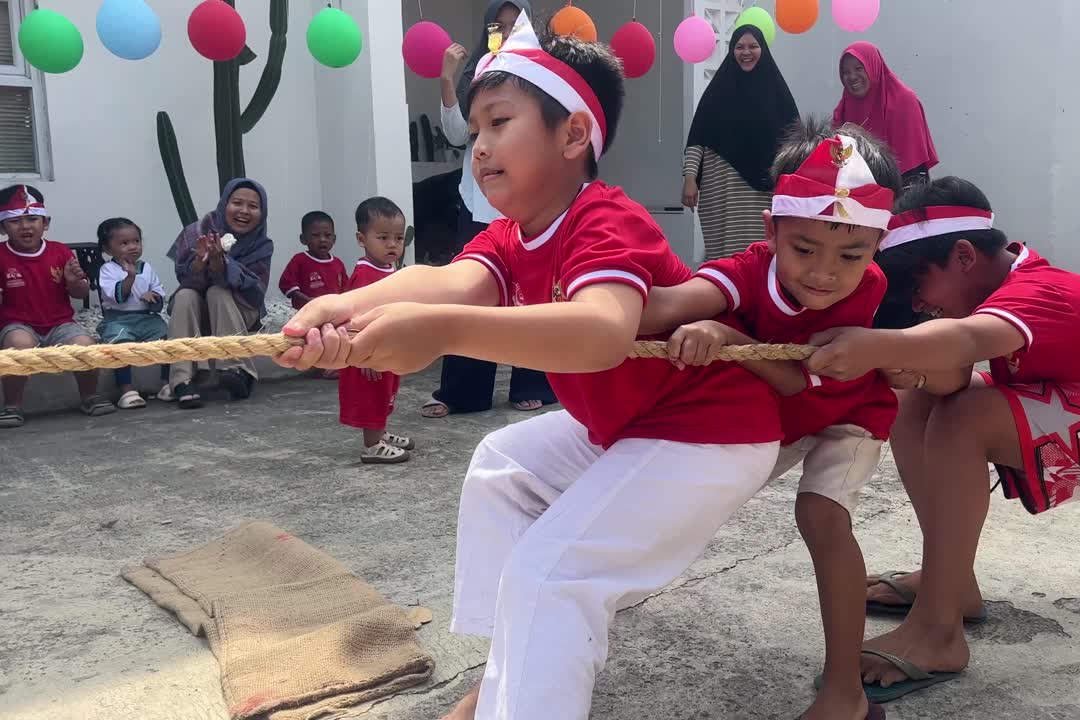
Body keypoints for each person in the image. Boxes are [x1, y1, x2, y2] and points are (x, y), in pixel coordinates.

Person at [276, 18, 784, 719]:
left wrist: (442, 332)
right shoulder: (510, 236)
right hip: (632, 423)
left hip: (707, 428)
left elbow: (603, 333)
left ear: (573, 135)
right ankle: (504, 680)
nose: (479, 146)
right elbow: (446, 285)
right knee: (499, 466)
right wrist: (343, 305)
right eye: (475, 129)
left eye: (499, 121)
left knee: (553, 573)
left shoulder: (608, 220)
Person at [800, 178, 1080, 704]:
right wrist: (905, 365)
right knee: (917, 401)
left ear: (963, 256)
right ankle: (952, 583)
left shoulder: (1038, 290)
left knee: (966, 421)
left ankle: (938, 633)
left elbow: (964, 343)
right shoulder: (1003, 289)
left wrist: (873, 344)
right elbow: (951, 377)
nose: (916, 303)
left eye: (917, 285)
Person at [641, 118, 899, 720]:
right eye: (804, 248)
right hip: (779, 415)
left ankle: (845, 694)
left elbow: (791, 376)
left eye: (851, 254)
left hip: (849, 410)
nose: (825, 273)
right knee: (685, 492)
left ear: (877, 249)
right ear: (771, 230)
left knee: (821, 515)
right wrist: (585, 299)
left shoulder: (868, 287)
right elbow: (671, 304)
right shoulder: (746, 271)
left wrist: (725, 335)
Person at [429, 0, 557, 419]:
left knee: (533, 295)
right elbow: (454, 133)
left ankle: (533, 382)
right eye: (495, 27)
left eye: (512, 25)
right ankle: (463, 391)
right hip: (481, 203)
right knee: (472, 296)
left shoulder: (541, 73)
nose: (503, 32)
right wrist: (448, 77)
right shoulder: (480, 74)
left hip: (530, 201)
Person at [0, 185, 116, 427]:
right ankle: (12, 405)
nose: (25, 226)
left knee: (85, 345)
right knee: (18, 345)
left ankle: (89, 396)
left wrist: (76, 283)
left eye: (32, 219)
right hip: (18, 324)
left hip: (60, 323)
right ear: (2, 227)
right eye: (15, 221)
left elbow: (81, 291)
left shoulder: (60, 252)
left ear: (46, 223)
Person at [682, 24, 800, 260]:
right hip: (721, 190)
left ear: (762, 49)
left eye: (753, 46)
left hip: (762, 193)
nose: (746, 52)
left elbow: (794, 143)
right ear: (731, 51)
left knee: (760, 256)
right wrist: (690, 178)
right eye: (739, 47)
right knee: (724, 259)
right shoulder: (718, 91)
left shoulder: (778, 94)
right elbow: (698, 138)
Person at [166, 178, 274, 410]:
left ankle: (238, 370)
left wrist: (221, 266)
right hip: (197, 311)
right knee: (185, 296)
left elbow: (254, 291)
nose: (244, 211)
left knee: (218, 291)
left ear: (262, 212)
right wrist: (199, 263)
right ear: (224, 204)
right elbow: (185, 279)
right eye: (237, 203)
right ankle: (182, 380)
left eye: (253, 206)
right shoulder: (197, 232)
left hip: (238, 309)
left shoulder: (262, 245)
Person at [339, 198, 416, 464]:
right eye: (382, 237)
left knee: (386, 392)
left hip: (387, 347)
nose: (392, 244)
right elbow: (356, 316)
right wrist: (365, 353)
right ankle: (371, 445)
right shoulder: (365, 274)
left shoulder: (388, 269)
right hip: (369, 352)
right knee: (372, 396)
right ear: (362, 239)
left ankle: (381, 433)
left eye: (397, 237)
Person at [832, 42, 938, 187]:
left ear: (873, 66)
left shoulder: (903, 101)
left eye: (859, 69)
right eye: (846, 72)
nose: (852, 77)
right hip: (858, 195)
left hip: (903, 190)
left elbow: (913, 165)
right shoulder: (843, 107)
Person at [97, 218, 169, 409]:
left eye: (136, 241)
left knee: (165, 337)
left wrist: (153, 296)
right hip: (119, 319)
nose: (133, 247)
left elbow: (159, 292)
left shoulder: (146, 268)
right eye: (124, 243)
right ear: (107, 248)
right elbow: (117, 297)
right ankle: (127, 390)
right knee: (119, 343)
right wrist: (130, 277)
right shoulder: (108, 270)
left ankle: (165, 383)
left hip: (145, 318)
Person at [279, 211, 347, 311]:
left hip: (332, 312)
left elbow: (346, 290)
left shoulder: (338, 263)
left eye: (327, 235)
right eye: (315, 235)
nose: (322, 239)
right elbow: (286, 284)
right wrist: (308, 302)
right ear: (303, 239)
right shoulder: (299, 260)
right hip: (306, 312)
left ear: (334, 239)